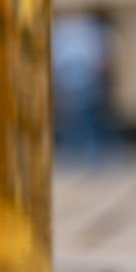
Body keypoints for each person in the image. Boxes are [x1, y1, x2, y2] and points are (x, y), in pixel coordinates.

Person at [52, 12, 119, 165]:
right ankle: (84, 154)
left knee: (89, 121)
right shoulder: (73, 39)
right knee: (81, 122)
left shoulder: (82, 38)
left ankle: (90, 154)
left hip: (86, 88)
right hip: (79, 89)